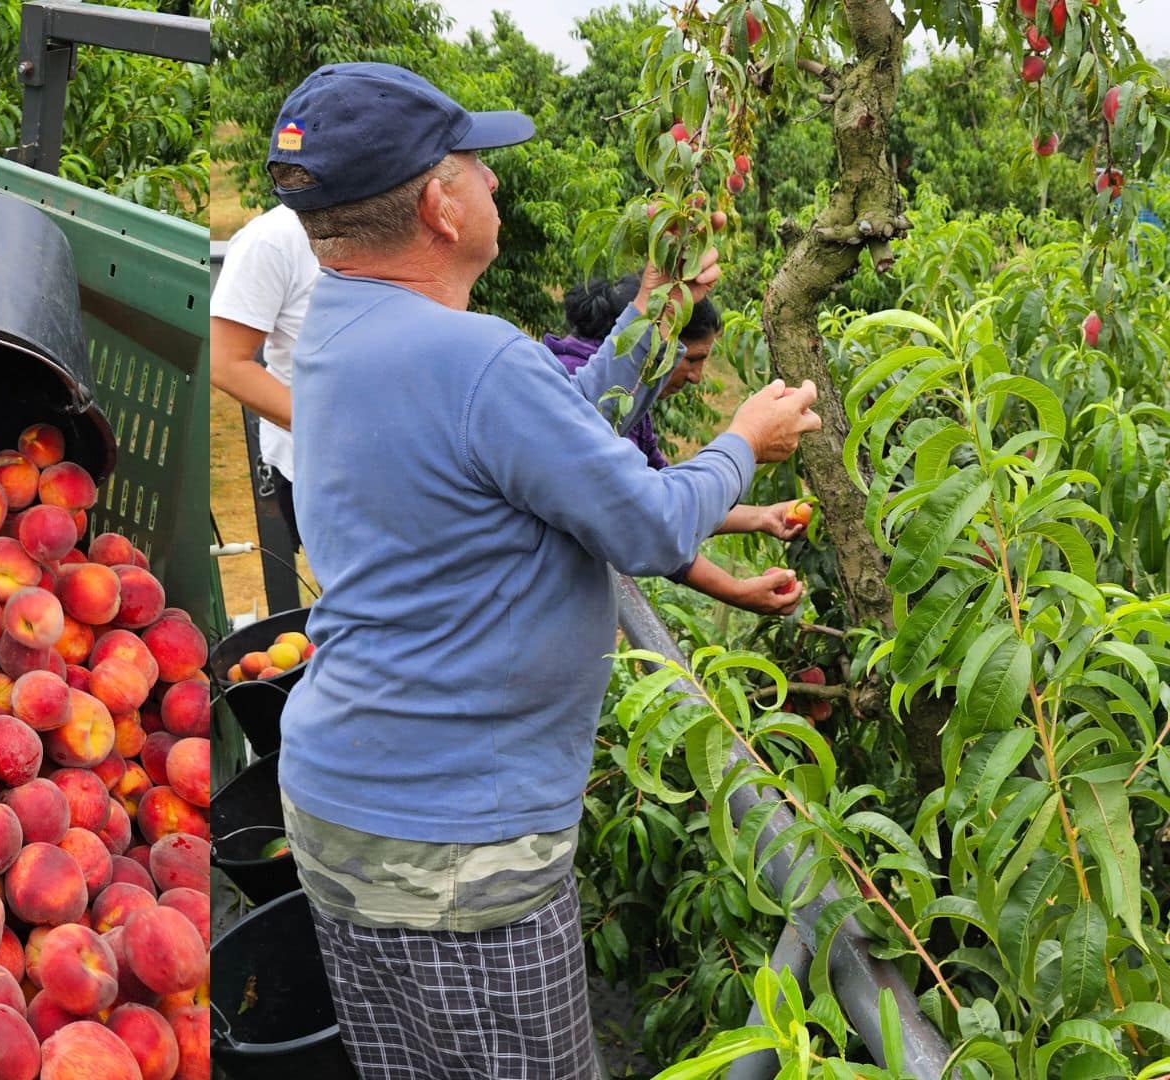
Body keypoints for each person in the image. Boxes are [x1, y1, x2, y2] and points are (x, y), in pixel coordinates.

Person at [268, 62, 820, 1078]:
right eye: (476, 165)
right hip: (455, 848)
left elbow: (552, 427)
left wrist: (652, 315)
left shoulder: (344, 322)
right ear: (439, 208)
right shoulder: (475, 359)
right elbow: (648, 525)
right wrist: (744, 441)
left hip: (347, 805)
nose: (495, 182)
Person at [547, 273, 809, 616]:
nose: (697, 377)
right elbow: (645, 521)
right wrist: (737, 591)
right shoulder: (594, 401)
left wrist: (762, 517)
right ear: (661, 340)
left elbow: (663, 493)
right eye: (693, 358)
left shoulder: (623, 395)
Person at [210, 203, 320, 547]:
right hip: (322, 471)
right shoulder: (273, 239)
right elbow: (224, 362)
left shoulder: (409, 212)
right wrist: (335, 433)